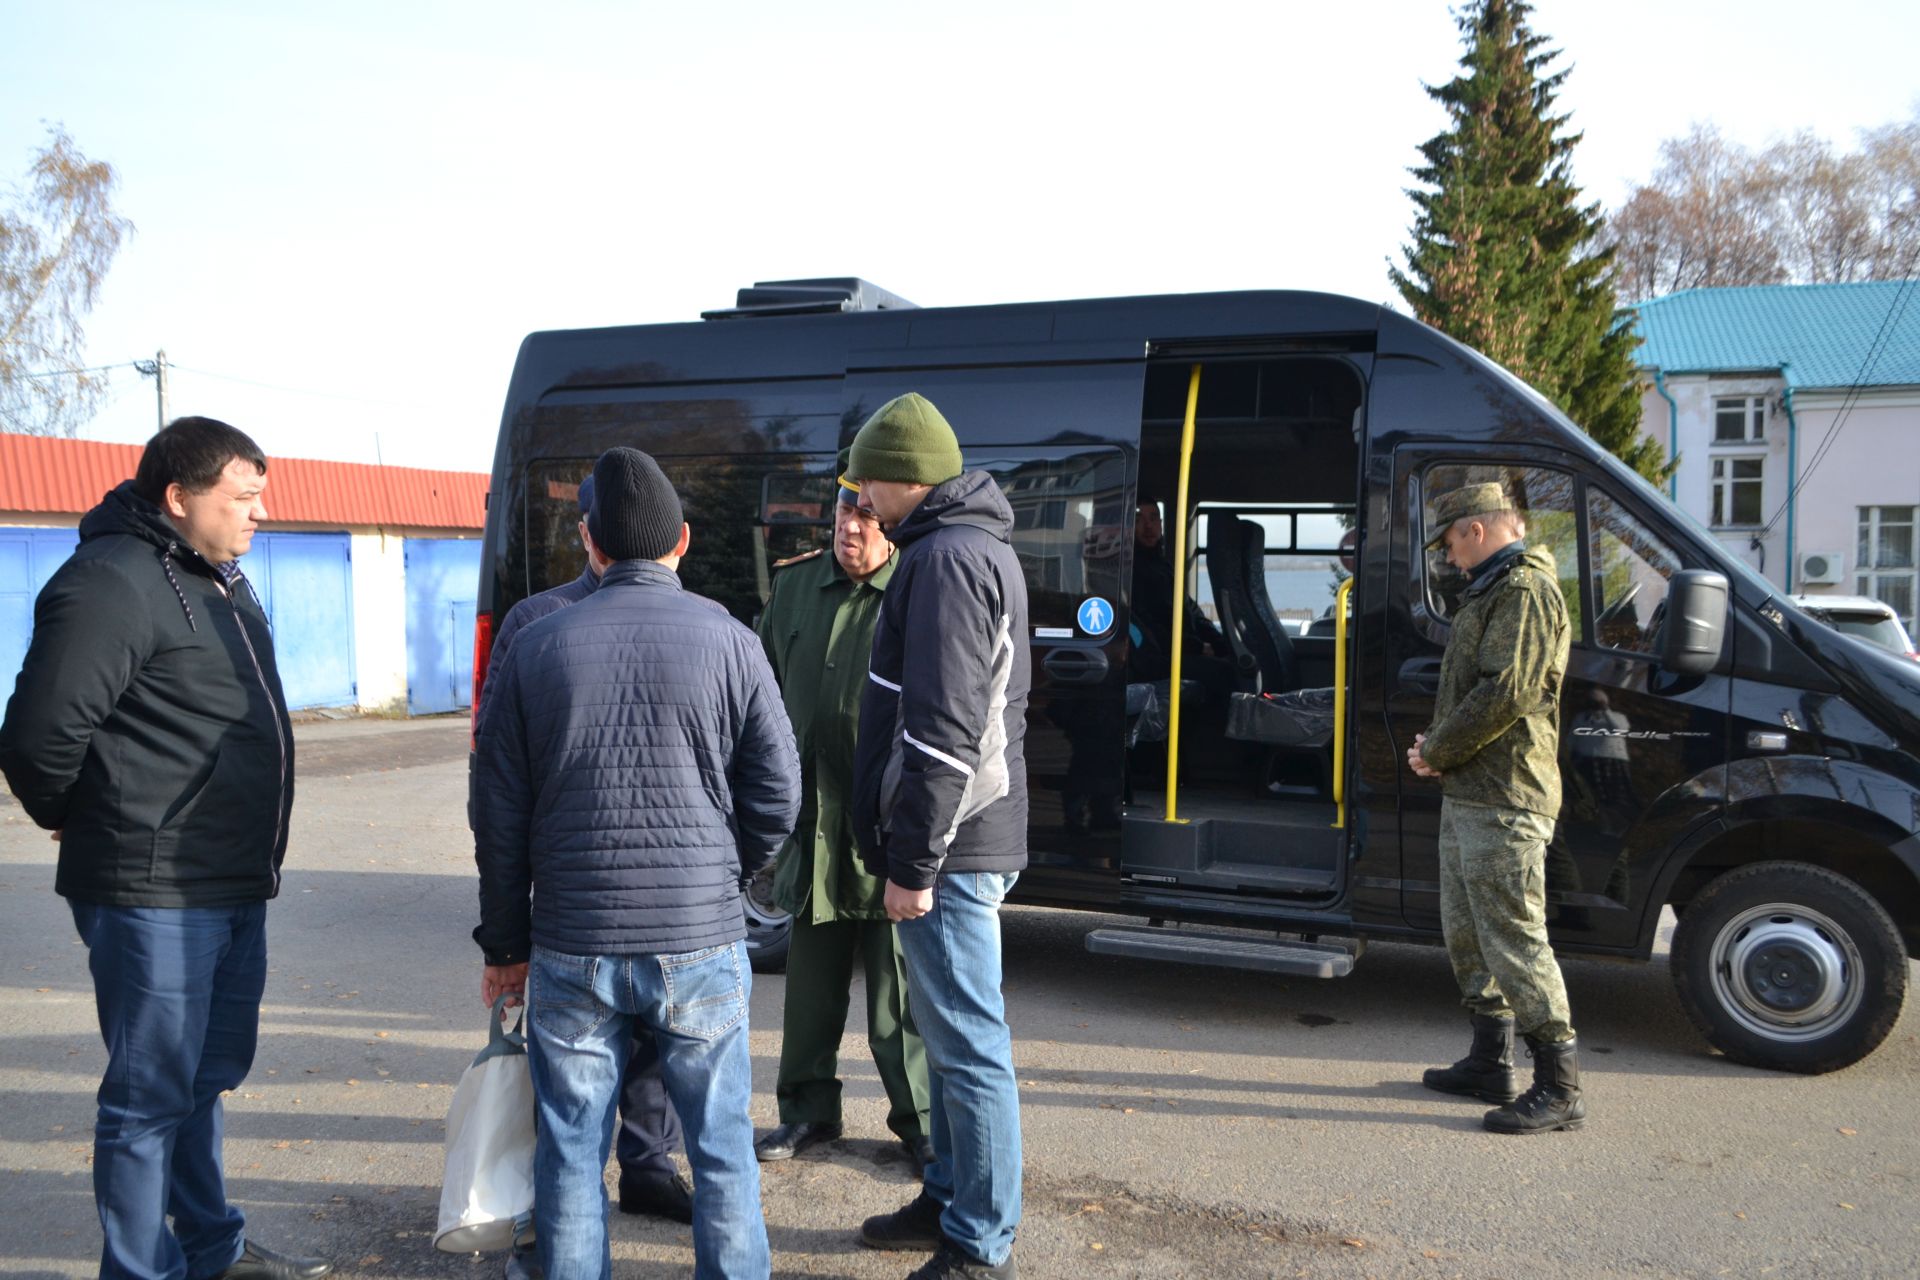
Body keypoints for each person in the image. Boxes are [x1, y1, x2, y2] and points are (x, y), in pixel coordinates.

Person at [0, 418, 328, 1280]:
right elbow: (38, 738)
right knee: (148, 1100)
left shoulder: (218, 577)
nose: (261, 512)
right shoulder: (112, 581)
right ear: (179, 499)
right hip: (151, 888)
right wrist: (83, 817)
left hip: (227, 879)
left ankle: (212, 1248)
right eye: (244, 497)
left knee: (202, 1080)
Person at [472, 446, 798, 1280]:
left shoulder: (537, 647)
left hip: (573, 941)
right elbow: (779, 793)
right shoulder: (730, 638)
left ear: (590, 541)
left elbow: (498, 816)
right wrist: (724, 877)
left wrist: (506, 947)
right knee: (724, 1149)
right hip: (700, 937)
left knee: (570, 1155)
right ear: (682, 542)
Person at [471, 472, 694, 1237]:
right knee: (573, 1075)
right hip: (571, 893)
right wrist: (507, 924)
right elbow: (497, 776)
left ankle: (648, 1164)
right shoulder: (538, 621)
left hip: (663, 891)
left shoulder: (694, 623)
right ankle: (556, 1222)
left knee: (655, 1045)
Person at [845, 393, 1030, 1280]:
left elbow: (944, 731)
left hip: (953, 846)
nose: (857, 500)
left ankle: (978, 1239)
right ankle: (950, 1194)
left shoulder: (949, 561)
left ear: (898, 476)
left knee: (967, 1042)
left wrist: (913, 861)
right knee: (951, 1035)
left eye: (863, 481)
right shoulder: (960, 547)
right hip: (961, 838)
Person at [752, 457, 932, 1169]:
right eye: (841, 517)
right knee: (810, 995)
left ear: (888, 528)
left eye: (864, 518)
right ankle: (805, 1113)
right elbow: (758, 699)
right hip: (813, 829)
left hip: (886, 834)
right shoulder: (795, 590)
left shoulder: (916, 589)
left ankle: (918, 1124)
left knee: (898, 1002)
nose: (850, 529)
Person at [1406, 481, 1585, 1135]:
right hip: (1474, 789)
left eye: (1451, 542)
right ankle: (1490, 1061)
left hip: (1506, 795)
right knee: (1470, 934)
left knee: (1514, 939)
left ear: (1476, 531)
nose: (1450, 558)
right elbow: (1474, 691)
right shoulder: (1495, 591)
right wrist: (1440, 750)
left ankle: (1560, 1088)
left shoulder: (1526, 592)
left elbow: (1504, 692)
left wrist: (1439, 750)